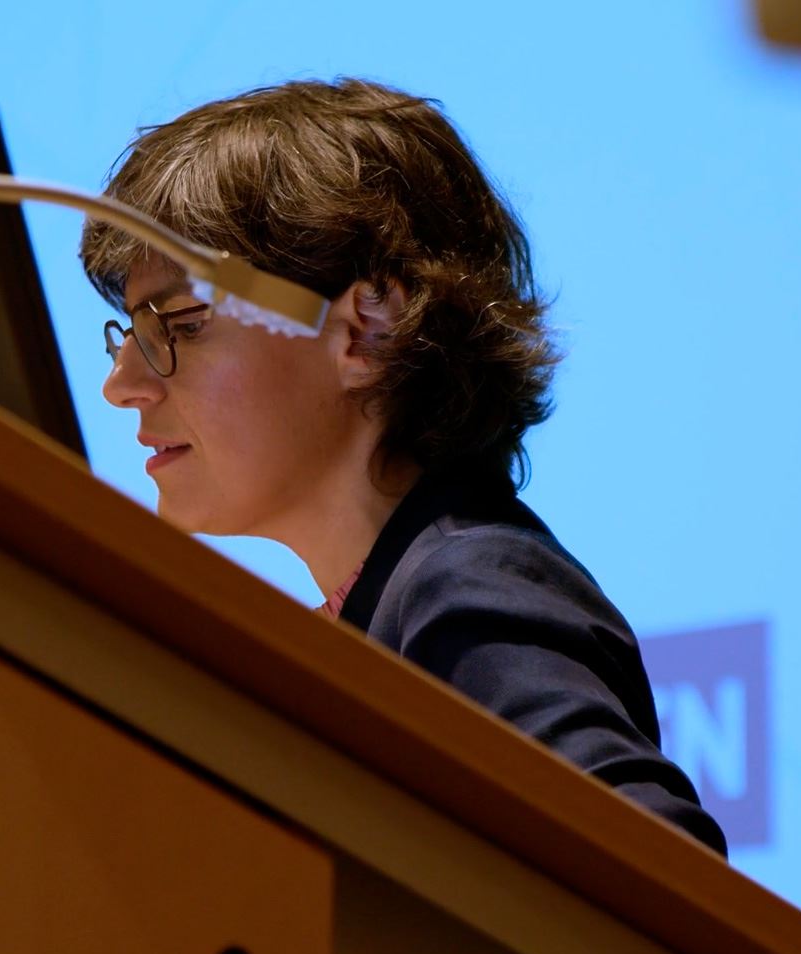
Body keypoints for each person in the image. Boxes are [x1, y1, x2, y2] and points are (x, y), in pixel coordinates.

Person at [79, 77, 727, 856]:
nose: (124, 386)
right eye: (127, 333)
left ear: (365, 331)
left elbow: (667, 890)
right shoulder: (385, 611)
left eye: (179, 323)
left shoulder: (464, 587)